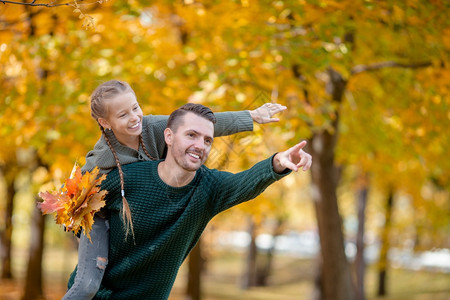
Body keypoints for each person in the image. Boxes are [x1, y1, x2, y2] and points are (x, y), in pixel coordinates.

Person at [63, 80, 287, 299]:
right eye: (123, 115)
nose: (134, 118)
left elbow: (203, 124)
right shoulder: (101, 159)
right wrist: (77, 222)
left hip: (149, 199)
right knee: (87, 285)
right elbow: (75, 196)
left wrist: (252, 116)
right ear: (105, 122)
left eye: (135, 108)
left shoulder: (154, 127)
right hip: (101, 213)